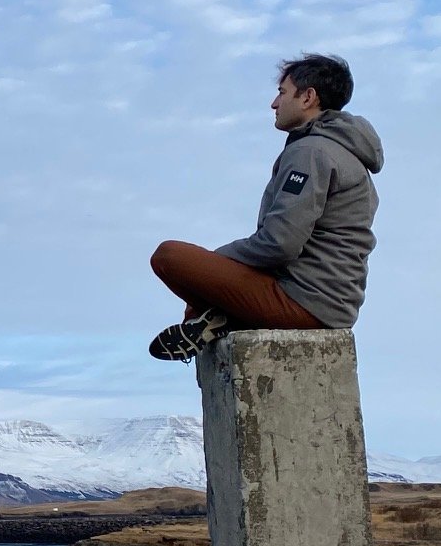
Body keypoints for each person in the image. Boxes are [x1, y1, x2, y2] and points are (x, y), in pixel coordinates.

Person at [148, 54, 383, 361]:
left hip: (305, 302)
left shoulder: (311, 152)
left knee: (170, 256)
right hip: (332, 303)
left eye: (283, 93)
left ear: (308, 97)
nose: (274, 103)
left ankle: (218, 319)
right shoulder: (342, 152)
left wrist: (215, 260)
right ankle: (217, 320)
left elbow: (279, 243)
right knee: (204, 295)